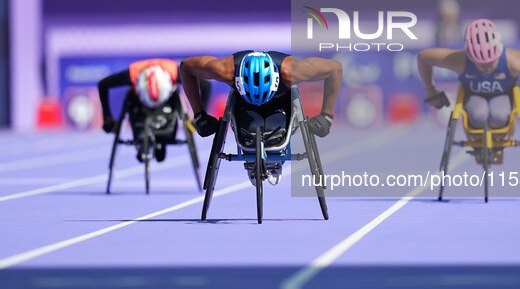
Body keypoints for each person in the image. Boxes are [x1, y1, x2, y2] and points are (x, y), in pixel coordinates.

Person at [180, 50, 342, 185]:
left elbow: (335, 68)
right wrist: (199, 114)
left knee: (280, 129)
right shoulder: (225, 69)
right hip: (244, 104)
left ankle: (275, 154)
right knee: (246, 129)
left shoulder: (291, 71)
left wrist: (326, 116)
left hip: (280, 102)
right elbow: (186, 67)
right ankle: (252, 148)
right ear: (237, 80)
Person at [418, 18, 520, 130]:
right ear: (469, 55)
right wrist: (430, 90)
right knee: (478, 115)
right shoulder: (458, 60)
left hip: (503, 95)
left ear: (498, 52)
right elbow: (423, 58)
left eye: (491, 62)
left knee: (499, 116)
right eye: (480, 64)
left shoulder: (515, 62)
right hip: (473, 96)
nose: (487, 68)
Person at [98, 58, 211, 162]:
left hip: (168, 108)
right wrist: (107, 118)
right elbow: (102, 85)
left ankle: (161, 138)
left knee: (176, 97)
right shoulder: (133, 74)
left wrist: (198, 118)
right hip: (140, 108)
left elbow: (206, 86)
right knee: (131, 98)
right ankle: (143, 138)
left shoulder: (175, 72)